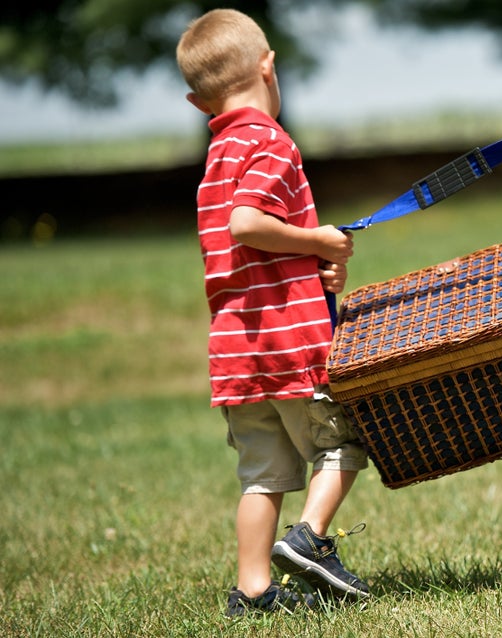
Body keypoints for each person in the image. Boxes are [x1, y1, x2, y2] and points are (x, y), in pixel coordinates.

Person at [176, 8, 371, 618]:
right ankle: (311, 536)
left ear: (196, 102)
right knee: (344, 442)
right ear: (269, 67)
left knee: (261, 476)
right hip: (290, 345)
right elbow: (249, 224)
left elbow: (242, 249)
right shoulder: (269, 141)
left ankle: (253, 590)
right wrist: (319, 241)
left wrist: (316, 265)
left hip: (237, 350)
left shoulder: (218, 155)